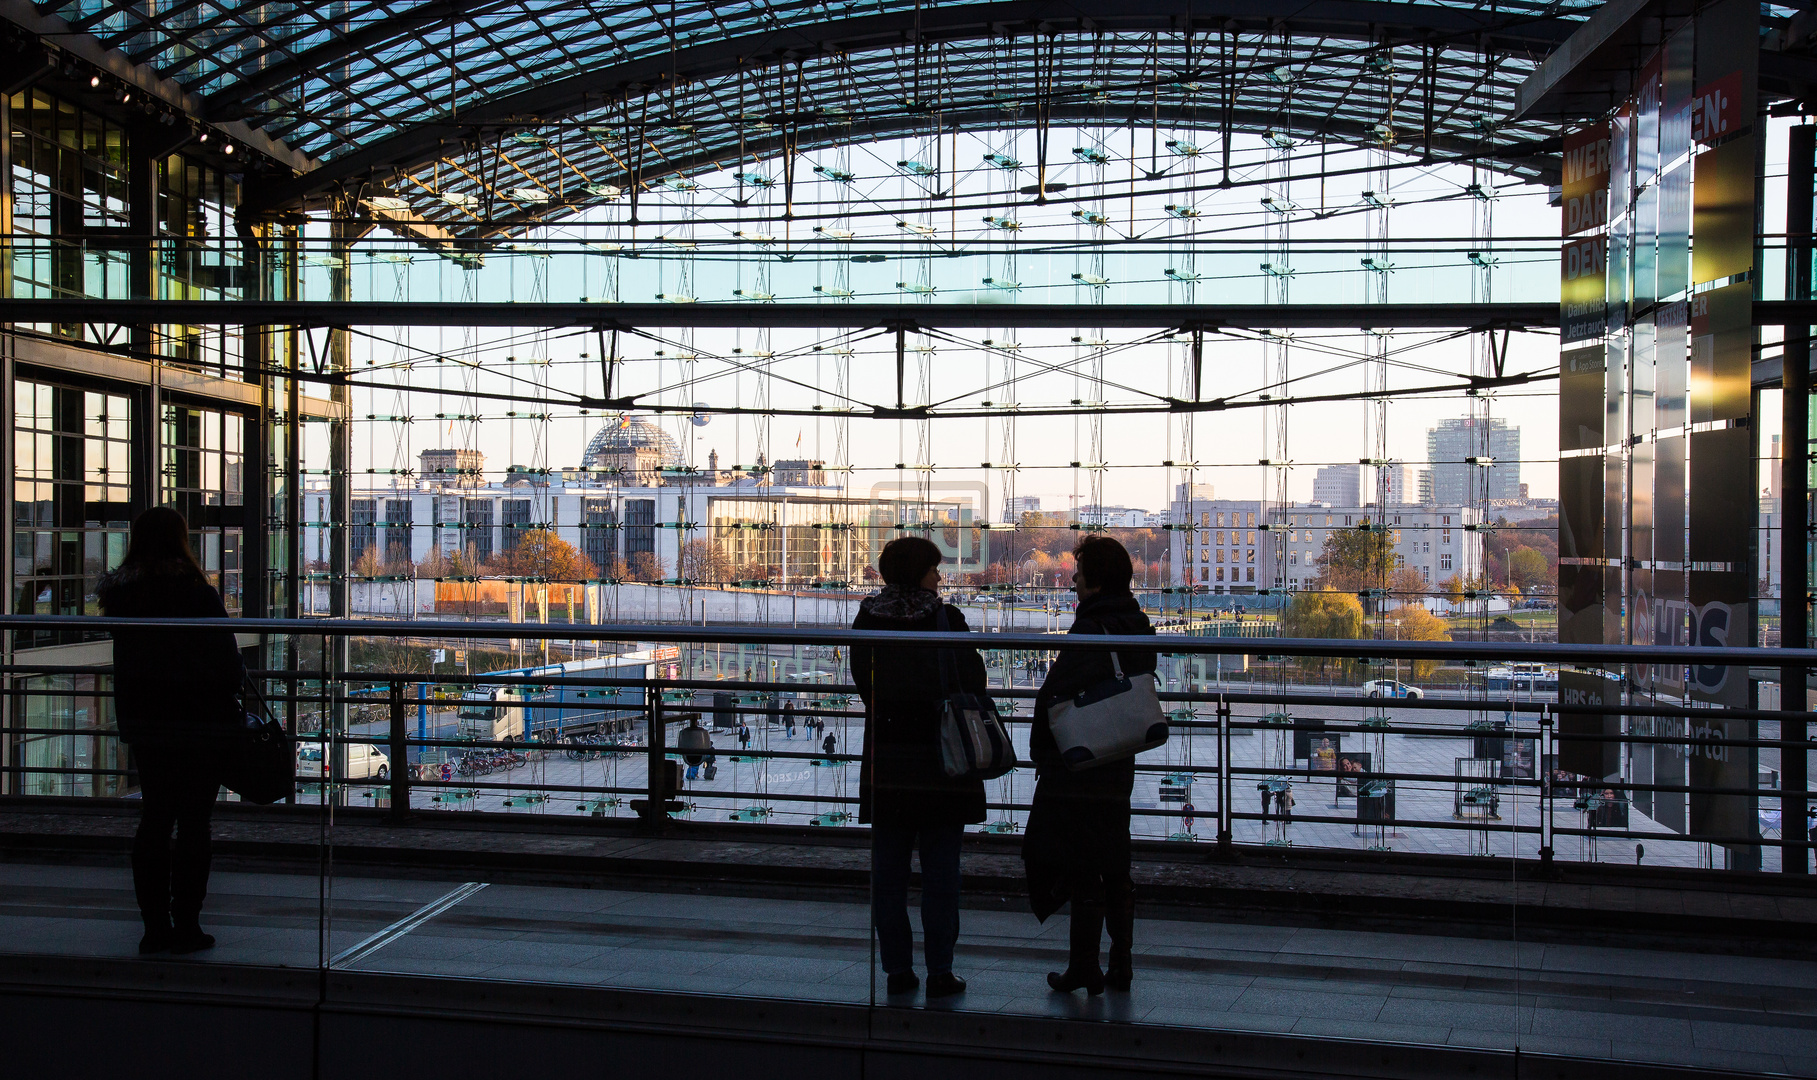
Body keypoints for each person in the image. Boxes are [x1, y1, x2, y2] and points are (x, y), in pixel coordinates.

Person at [97, 506, 246, 956]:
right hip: (197, 721)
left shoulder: (124, 596)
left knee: (155, 818)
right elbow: (227, 660)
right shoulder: (195, 593)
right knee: (195, 822)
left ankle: (154, 926)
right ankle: (188, 923)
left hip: (146, 722)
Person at [849, 537, 987, 1000]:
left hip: (888, 760)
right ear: (918, 573)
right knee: (941, 873)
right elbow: (974, 680)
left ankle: (896, 969)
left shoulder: (868, 618)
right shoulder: (946, 619)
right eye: (933, 569)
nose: (939, 577)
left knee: (887, 875)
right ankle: (941, 970)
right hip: (940, 762)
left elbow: (862, 681)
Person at [1023, 536, 1157, 995]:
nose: (1074, 579)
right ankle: (1122, 963)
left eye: (1079, 572)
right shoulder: (1137, 623)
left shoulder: (1092, 629)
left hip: (1084, 759)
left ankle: (1085, 965)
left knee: (1083, 864)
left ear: (1094, 580)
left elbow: (1054, 696)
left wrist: (1041, 750)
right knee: (1115, 860)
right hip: (1119, 753)